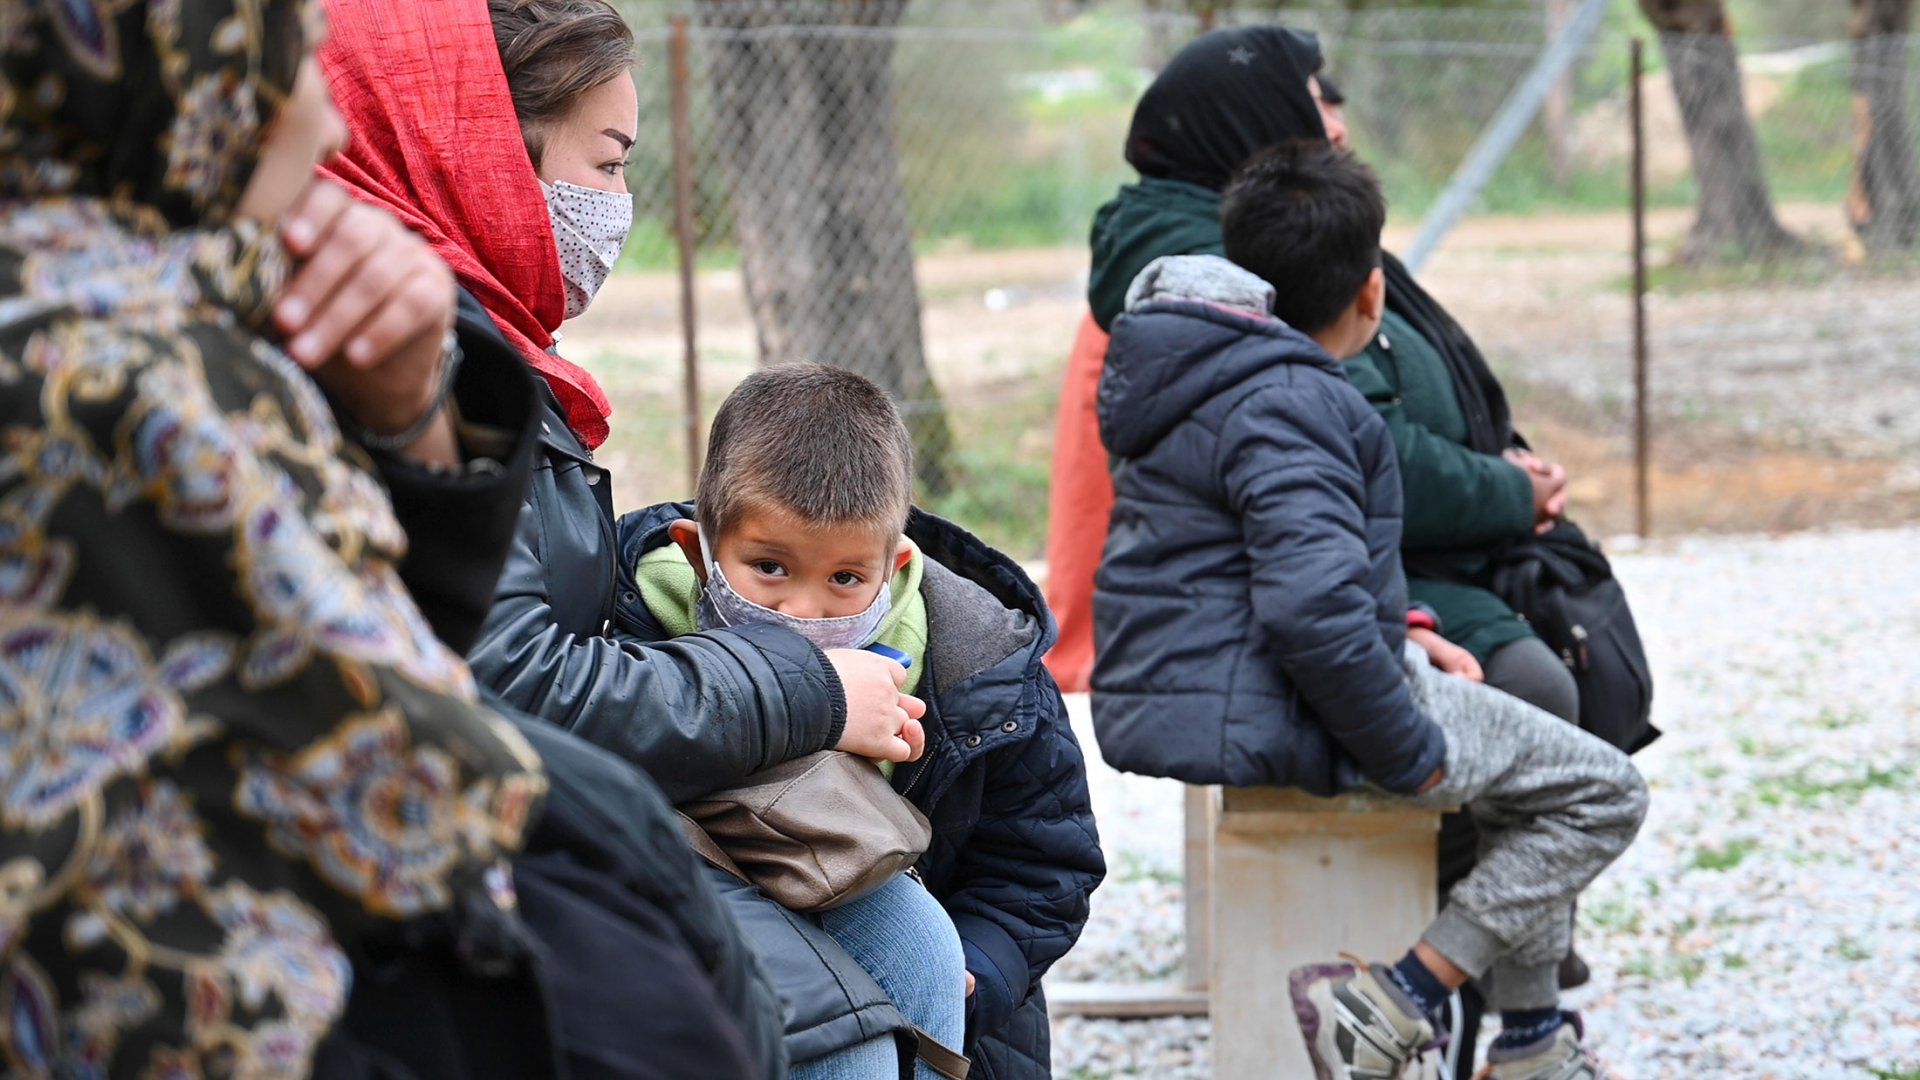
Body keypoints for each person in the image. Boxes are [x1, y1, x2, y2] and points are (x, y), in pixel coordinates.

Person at [310, 0, 967, 1073]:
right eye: (606, 164)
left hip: (543, 806)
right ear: (477, 145)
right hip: (463, 837)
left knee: (910, 943)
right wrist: (803, 687)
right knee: (841, 1033)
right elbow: (501, 675)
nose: (619, 205)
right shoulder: (403, 357)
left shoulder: (484, 342)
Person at [0, 1, 552, 1074]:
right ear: (181, 78)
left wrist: (413, 418)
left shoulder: (186, 311)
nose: (333, 128)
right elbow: (419, 772)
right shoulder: (112, 380)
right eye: (290, 53)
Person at [1090, 142, 1645, 1079]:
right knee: (1602, 792)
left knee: (1526, 742)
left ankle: (1530, 1043)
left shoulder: (1199, 373)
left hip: (1221, 685)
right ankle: (1397, 1001)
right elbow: (1309, 612)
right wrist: (1409, 747)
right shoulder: (1295, 397)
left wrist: (1408, 632)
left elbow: (1256, 567)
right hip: (1285, 700)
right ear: (1371, 294)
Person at [619, 362, 1105, 1079]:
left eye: (845, 579)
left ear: (892, 565)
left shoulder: (976, 666)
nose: (804, 611)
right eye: (770, 568)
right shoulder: (629, 638)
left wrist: (983, 964)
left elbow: (1044, 859)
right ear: (700, 551)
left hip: (949, 1017)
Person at [1043, 24, 1342, 694]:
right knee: (1096, 527)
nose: (1336, 130)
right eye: (1317, 104)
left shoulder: (1176, 229)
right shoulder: (1197, 260)